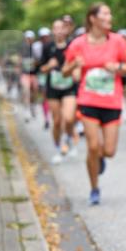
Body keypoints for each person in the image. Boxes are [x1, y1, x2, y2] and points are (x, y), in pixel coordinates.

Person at [63, 4, 126, 205]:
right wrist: (74, 65)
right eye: (105, 13)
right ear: (93, 19)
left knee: (109, 151)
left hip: (112, 101)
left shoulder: (118, 42)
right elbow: (64, 71)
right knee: (93, 146)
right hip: (88, 100)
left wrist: (118, 67)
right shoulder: (78, 44)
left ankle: (100, 159)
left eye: (109, 13)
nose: (109, 16)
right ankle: (94, 188)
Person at [39, 18, 79, 164]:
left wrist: (76, 71)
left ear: (66, 29)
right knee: (56, 122)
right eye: (56, 28)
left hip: (69, 87)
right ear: (52, 30)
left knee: (68, 118)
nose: (59, 31)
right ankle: (58, 147)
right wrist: (49, 66)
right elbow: (41, 69)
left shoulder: (72, 46)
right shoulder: (47, 47)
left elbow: (78, 63)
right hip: (53, 88)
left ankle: (68, 140)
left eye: (62, 28)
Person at [34, 27, 52, 129]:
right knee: (45, 96)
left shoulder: (53, 45)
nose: (45, 38)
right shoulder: (36, 47)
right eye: (43, 37)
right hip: (42, 74)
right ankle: (46, 119)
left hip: (54, 74)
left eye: (46, 36)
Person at [19, 30, 38, 121]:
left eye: (30, 38)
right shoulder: (22, 49)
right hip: (25, 74)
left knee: (34, 91)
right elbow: (19, 61)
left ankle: (33, 105)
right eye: (27, 38)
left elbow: (40, 60)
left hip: (34, 74)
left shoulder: (36, 48)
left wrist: (36, 63)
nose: (29, 40)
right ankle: (27, 110)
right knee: (26, 91)